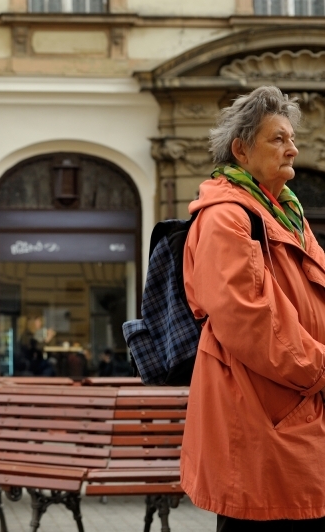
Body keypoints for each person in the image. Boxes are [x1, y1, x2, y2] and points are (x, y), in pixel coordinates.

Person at [182, 85, 325, 530]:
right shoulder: (227, 215)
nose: (292, 149)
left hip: (296, 404)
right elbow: (248, 318)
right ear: (241, 150)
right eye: (278, 139)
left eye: (291, 139)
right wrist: (319, 367)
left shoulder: (286, 212)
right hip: (262, 414)